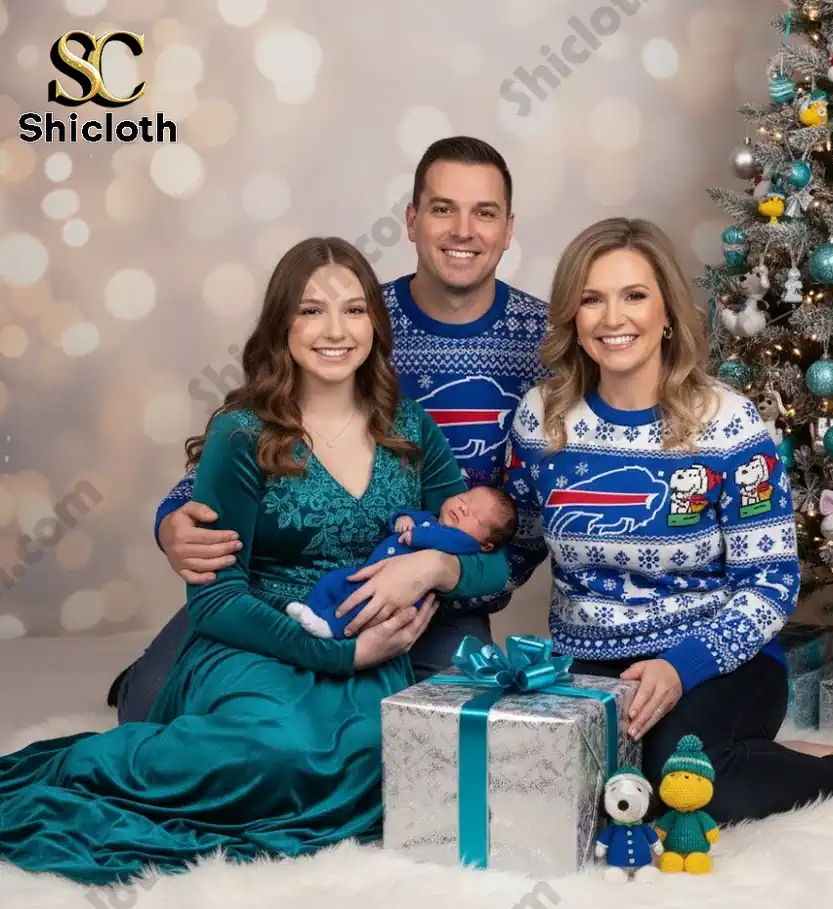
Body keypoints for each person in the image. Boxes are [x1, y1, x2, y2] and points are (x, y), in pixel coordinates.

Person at [0, 236, 510, 885]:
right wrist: (341, 655)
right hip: (256, 639)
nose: (335, 330)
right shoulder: (241, 434)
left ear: (375, 327)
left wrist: (435, 568)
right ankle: (93, 765)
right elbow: (213, 601)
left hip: (372, 649)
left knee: (371, 757)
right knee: (280, 751)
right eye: (312, 310)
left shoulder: (411, 429)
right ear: (282, 325)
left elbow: (491, 567)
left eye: (354, 310)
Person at [502, 216, 833, 827]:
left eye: (634, 296)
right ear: (572, 319)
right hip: (587, 662)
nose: (613, 319)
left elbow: (769, 584)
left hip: (719, 658)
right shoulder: (542, 419)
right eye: (592, 299)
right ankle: (760, 756)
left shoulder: (726, 423)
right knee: (569, 790)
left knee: (687, 783)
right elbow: (518, 546)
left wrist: (680, 667)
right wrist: (438, 565)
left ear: (666, 315)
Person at [108, 136, 549, 722]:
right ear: (413, 220)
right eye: (443, 208)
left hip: (442, 580)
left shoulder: (550, 344)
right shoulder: (357, 314)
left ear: (509, 227)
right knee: (155, 704)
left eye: (484, 212)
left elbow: (564, 488)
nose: (463, 230)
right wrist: (172, 517)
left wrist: (441, 569)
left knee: (443, 735)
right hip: (292, 578)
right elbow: (261, 442)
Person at [287, 486, 518, 639]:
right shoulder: (430, 518)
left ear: (486, 545)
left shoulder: (465, 543)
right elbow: (408, 516)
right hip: (363, 573)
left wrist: (419, 539)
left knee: (361, 608)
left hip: (398, 596)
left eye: (475, 516)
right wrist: (403, 518)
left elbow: (448, 540)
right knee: (332, 582)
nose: (462, 508)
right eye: (463, 499)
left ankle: (330, 629)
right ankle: (312, 610)